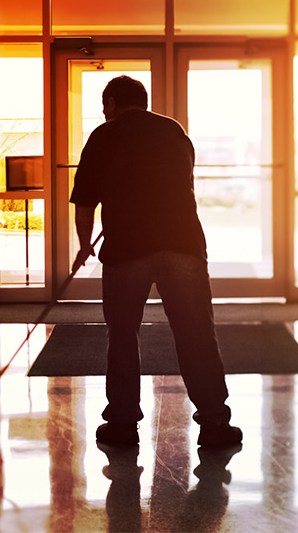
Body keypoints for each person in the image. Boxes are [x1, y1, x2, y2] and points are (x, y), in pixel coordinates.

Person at [70, 75, 242, 448]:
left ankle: (121, 424)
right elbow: (181, 182)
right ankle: (215, 424)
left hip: (127, 248)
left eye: (105, 105)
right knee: (197, 334)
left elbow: (84, 200)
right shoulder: (174, 131)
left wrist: (84, 245)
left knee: (122, 336)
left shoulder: (103, 135)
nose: (104, 112)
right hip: (183, 244)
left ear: (113, 103)